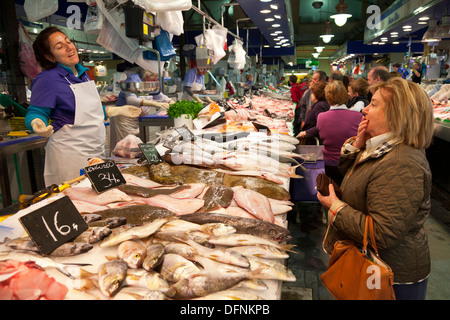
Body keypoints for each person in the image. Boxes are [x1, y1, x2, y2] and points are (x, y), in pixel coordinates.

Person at [317, 77, 434, 300]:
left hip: (390, 279)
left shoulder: (402, 163)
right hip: (371, 268)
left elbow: (382, 234)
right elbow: (354, 174)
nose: (365, 110)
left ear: (397, 115)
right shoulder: (384, 147)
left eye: (374, 104)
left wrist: (335, 207)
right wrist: (358, 145)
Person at [25, 26, 141, 186]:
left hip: (95, 150)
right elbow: (36, 111)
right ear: (49, 56)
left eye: (68, 41)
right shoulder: (47, 79)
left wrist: (115, 110)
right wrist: (36, 122)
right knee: (75, 200)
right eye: (59, 47)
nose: (68, 47)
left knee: (101, 201)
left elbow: (88, 111)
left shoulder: (83, 75)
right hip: (69, 155)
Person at [112, 67, 175, 149]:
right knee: (127, 144)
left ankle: (137, 160)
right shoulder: (133, 79)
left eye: (157, 78)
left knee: (138, 144)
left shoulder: (150, 82)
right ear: (147, 74)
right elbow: (131, 100)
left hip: (140, 116)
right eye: (154, 78)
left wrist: (171, 101)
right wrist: (154, 103)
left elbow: (159, 95)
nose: (155, 80)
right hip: (126, 118)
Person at [317, 81, 363, 185]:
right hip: (351, 164)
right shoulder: (358, 116)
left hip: (329, 164)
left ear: (327, 98)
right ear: (345, 96)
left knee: (332, 191)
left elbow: (322, 138)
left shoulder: (321, 117)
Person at [294, 70, 327, 136]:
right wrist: (303, 120)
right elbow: (303, 106)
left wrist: (307, 132)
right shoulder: (307, 92)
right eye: (312, 79)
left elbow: (320, 125)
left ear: (322, 80)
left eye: (315, 79)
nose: (312, 81)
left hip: (314, 130)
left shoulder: (321, 105)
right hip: (308, 124)